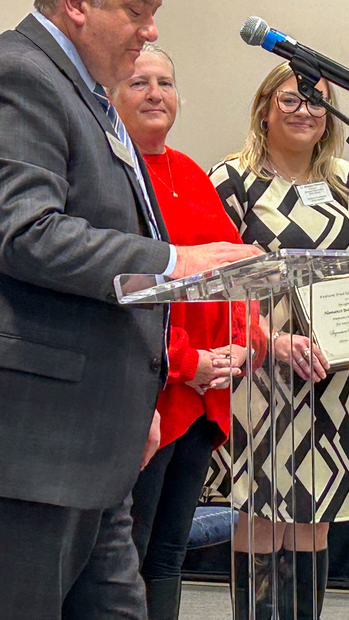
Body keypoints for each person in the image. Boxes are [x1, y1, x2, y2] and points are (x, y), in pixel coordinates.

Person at [0, 0, 259, 620]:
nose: (150, 31)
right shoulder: (14, 78)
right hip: (24, 435)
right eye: (138, 9)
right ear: (76, 1)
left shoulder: (87, 94)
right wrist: (176, 260)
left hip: (90, 433)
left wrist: (135, 400)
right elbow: (27, 235)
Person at [210, 62, 349, 620]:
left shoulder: (347, 181)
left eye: (316, 99)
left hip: (329, 378)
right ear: (264, 108)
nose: (305, 108)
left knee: (314, 518)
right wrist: (268, 340)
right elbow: (214, 285)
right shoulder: (231, 180)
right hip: (258, 371)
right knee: (260, 520)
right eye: (290, 99)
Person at [110, 43, 265, 620]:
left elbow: (232, 269)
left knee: (169, 553)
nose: (155, 94)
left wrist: (239, 346)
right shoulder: (114, 175)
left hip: (205, 393)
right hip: (154, 390)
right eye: (139, 82)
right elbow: (129, 292)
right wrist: (186, 362)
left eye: (166, 83)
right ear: (111, 93)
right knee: (130, 549)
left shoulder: (191, 173)